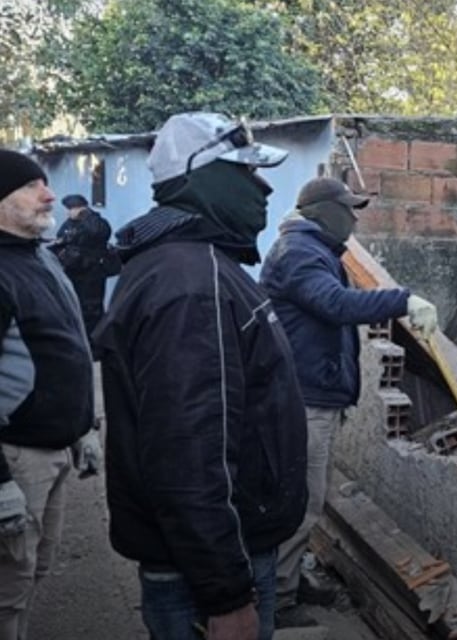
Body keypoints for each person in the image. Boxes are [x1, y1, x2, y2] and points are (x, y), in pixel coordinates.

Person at [91, 113, 308, 640]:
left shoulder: (192, 265)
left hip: (214, 554)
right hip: (212, 569)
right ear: (202, 181)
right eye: (245, 173)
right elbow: (190, 454)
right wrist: (227, 593)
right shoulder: (192, 284)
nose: (263, 187)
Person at [259, 176, 438, 628]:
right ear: (321, 211)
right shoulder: (300, 254)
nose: (355, 218)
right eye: (348, 208)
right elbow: (336, 305)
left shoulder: (310, 249)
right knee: (301, 502)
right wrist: (402, 300)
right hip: (304, 399)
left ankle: (288, 578)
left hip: (314, 392)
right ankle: (277, 600)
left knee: (307, 498)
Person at [0, 150, 102, 640]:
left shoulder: (37, 256)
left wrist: (83, 428)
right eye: (32, 186)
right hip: (17, 456)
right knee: (5, 589)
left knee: (33, 572)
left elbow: (67, 346)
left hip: (55, 449)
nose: (50, 195)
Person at [49, 194, 113, 346]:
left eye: (71, 208)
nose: (69, 212)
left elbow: (97, 232)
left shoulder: (96, 222)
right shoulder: (69, 223)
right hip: (73, 271)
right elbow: (62, 238)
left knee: (91, 309)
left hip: (92, 273)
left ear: (80, 208)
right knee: (74, 306)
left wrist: (85, 214)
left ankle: (95, 344)